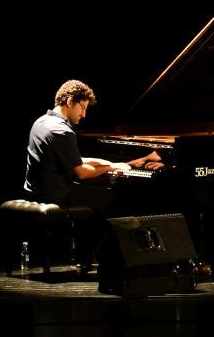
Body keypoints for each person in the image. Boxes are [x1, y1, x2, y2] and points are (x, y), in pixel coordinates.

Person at [22, 79, 161, 271]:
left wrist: (109, 163)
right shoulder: (61, 130)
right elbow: (81, 173)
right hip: (55, 195)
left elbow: (76, 159)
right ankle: (107, 256)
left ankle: (90, 253)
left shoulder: (42, 122)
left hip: (36, 190)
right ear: (70, 101)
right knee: (116, 197)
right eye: (83, 107)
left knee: (100, 192)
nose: (84, 114)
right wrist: (110, 169)